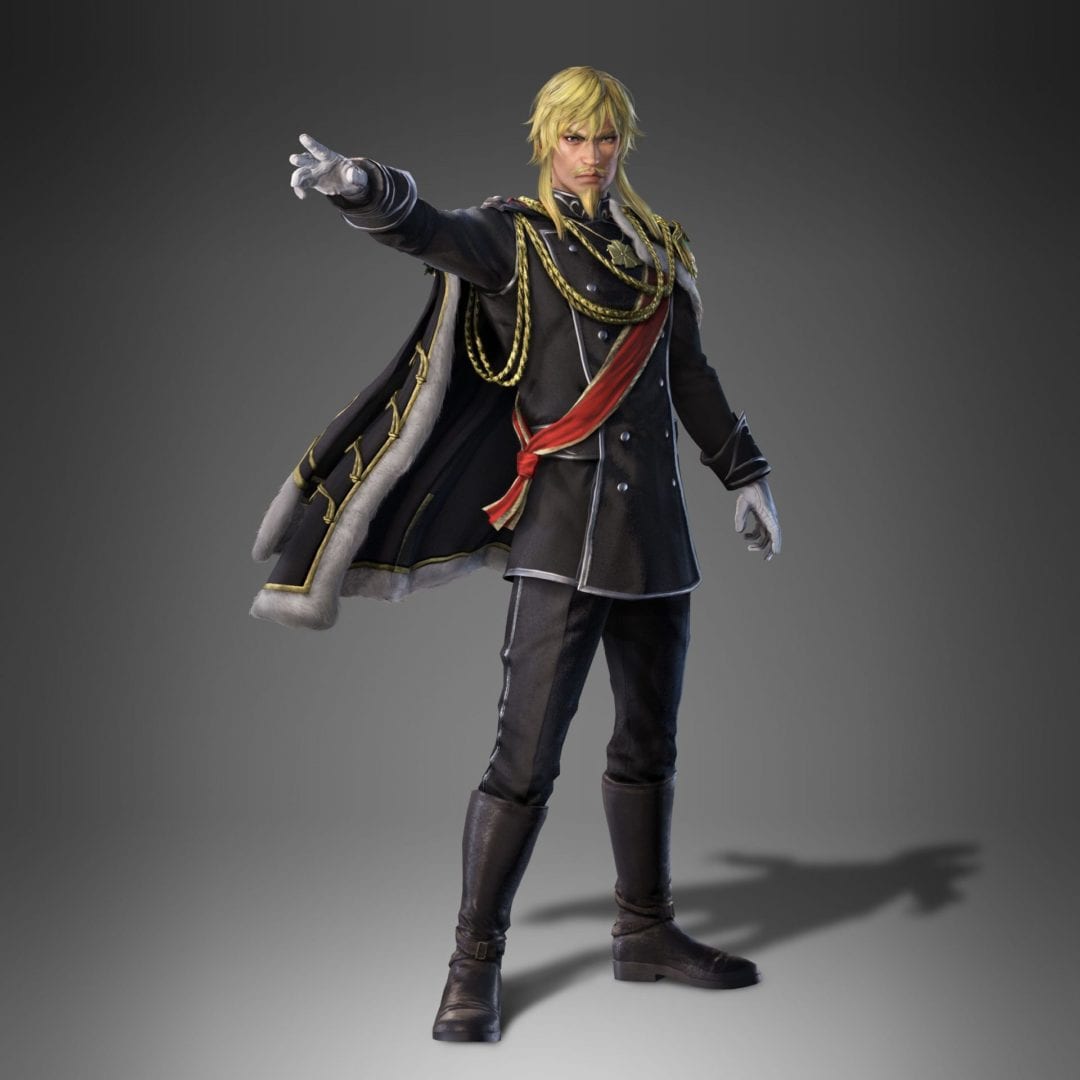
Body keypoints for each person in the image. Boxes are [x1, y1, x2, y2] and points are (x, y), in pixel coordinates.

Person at [252, 66, 781, 1042]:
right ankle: (472, 966)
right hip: (560, 540)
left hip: (657, 539)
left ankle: (646, 929)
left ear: (623, 142)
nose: (592, 155)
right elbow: (425, 229)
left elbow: (690, 375)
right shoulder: (514, 240)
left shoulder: (656, 250)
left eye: (606, 137)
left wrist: (744, 474)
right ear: (547, 142)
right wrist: (361, 186)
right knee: (523, 762)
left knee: (649, 745)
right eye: (575, 137)